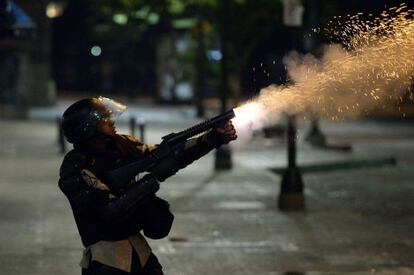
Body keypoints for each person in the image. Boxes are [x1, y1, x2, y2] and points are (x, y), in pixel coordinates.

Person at [58, 97, 237, 275]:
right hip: (105, 258)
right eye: (104, 119)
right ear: (88, 129)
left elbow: (165, 155)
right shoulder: (74, 167)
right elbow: (109, 211)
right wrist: (149, 183)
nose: (111, 121)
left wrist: (213, 138)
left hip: (138, 250)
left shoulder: (121, 144)